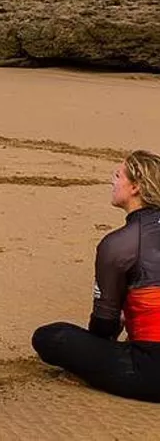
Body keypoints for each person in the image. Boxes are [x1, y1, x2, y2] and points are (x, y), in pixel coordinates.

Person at [32, 150, 160, 401]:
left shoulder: (119, 244)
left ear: (135, 187)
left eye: (117, 175)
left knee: (51, 337)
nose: (112, 182)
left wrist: (102, 346)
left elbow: (104, 322)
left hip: (152, 371)